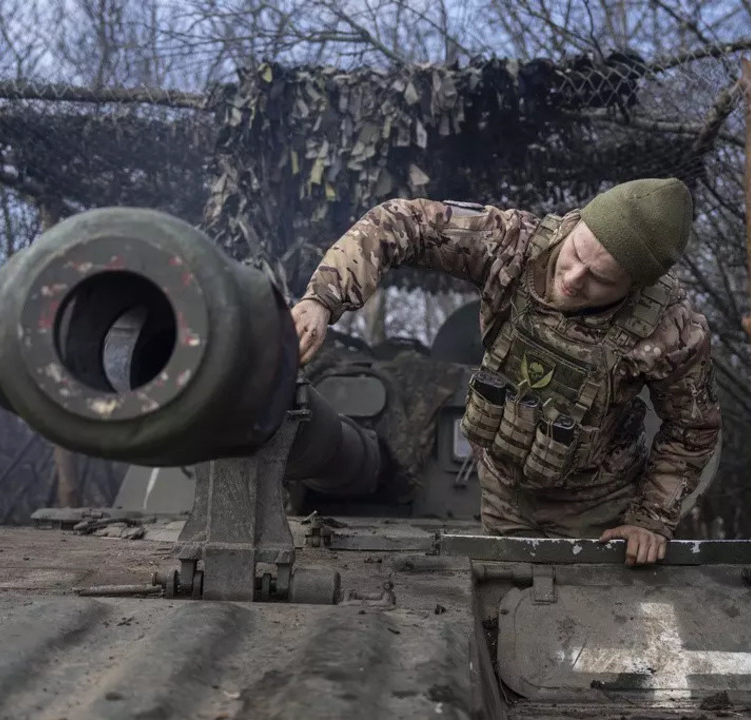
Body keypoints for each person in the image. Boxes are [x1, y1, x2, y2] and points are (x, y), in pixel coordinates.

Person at [290, 178, 721, 566]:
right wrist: (322, 299)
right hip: (501, 491)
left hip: (595, 512)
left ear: (636, 286)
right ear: (576, 224)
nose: (572, 278)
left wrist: (650, 519)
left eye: (599, 279)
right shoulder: (511, 243)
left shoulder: (669, 329)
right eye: (575, 253)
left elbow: (694, 427)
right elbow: (402, 222)